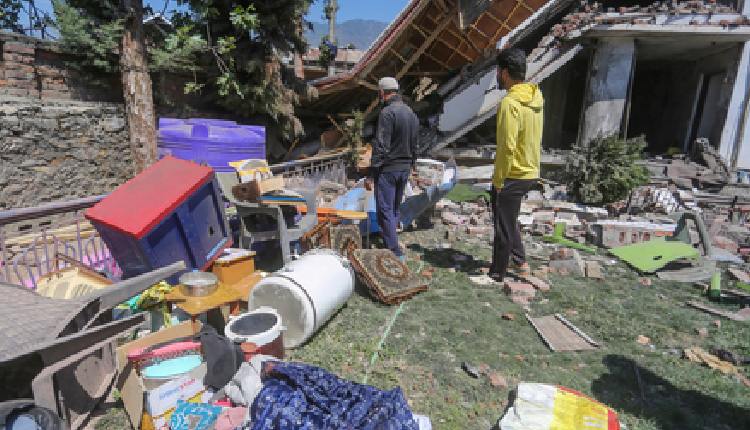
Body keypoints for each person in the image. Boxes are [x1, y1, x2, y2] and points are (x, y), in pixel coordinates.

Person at [489, 48, 544, 282]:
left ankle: (496, 273)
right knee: (508, 218)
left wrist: (498, 180)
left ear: (504, 73)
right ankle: (520, 261)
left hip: (513, 173)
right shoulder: (536, 98)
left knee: (502, 225)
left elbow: (507, 147)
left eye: (497, 71)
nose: (497, 76)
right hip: (530, 170)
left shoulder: (509, 103)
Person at [365, 77, 419, 262]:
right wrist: (412, 164)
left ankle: (395, 252)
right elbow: (415, 144)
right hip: (404, 167)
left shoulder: (387, 113)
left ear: (382, 92)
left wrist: (371, 174)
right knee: (394, 207)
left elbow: (381, 146)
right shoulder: (410, 113)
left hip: (388, 169)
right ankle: (392, 238)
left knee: (385, 209)